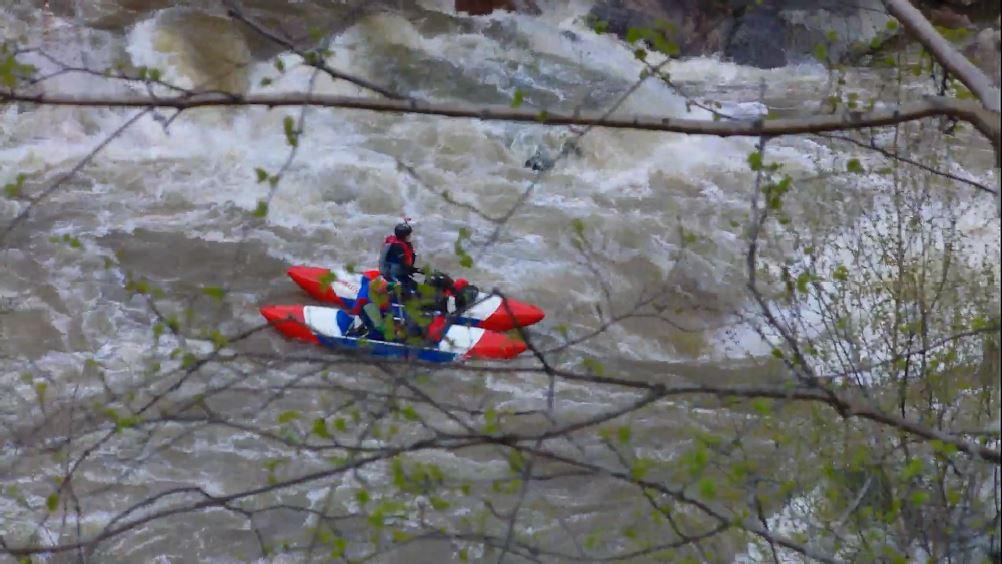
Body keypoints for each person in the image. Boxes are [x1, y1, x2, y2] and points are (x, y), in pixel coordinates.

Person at [379, 222, 419, 298]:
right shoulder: (397, 248)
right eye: (409, 234)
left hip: (401, 273)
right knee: (410, 293)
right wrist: (415, 270)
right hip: (392, 274)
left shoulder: (402, 243)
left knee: (415, 286)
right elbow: (403, 263)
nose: (410, 236)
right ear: (404, 236)